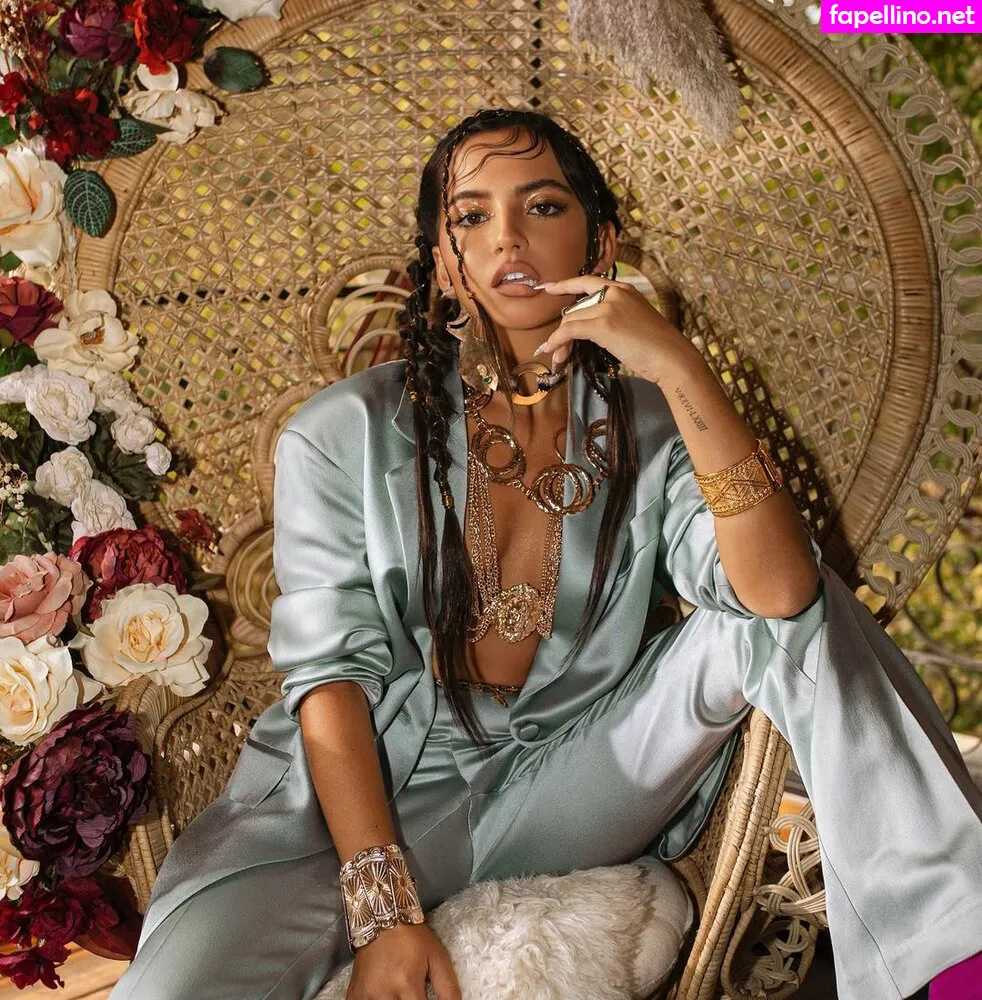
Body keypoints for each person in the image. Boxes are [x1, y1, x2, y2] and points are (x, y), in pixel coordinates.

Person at [108, 108, 982, 1000]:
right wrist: (384, 911)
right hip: (357, 806)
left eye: (544, 206)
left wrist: (680, 369)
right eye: (472, 215)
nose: (509, 238)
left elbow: (781, 592)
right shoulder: (342, 433)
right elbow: (329, 683)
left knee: (785, 619)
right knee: (176, 991)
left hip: (568, 781)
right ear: (443, 258)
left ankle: (957, 959)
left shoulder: (655, 425)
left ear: (600, 243)